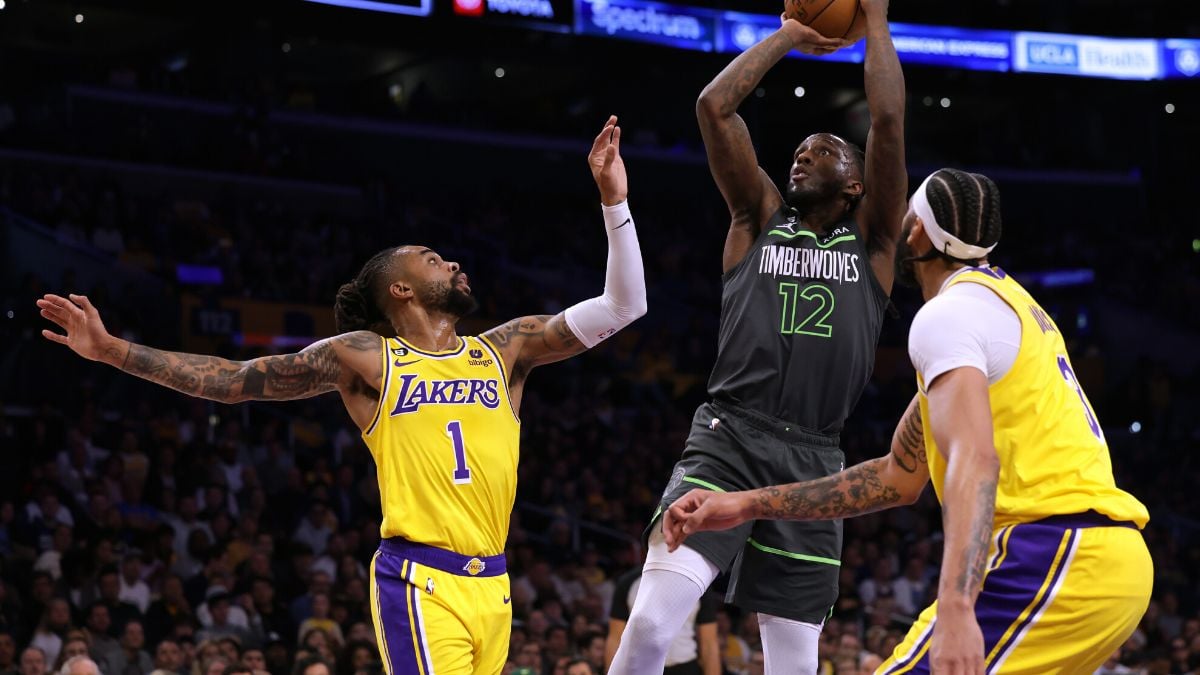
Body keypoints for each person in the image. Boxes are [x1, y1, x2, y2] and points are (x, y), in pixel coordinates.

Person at [37, 116, 646, 675]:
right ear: (402, 289)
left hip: (495, 584)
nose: (454, 262)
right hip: (419, 580)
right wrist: (114, 351)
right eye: (435, 260)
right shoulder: (368, 358)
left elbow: (625, 306)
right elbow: (235, 379)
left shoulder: (506, 349)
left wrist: (614, 199)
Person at [663, 169, 1153, 674]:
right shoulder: (1005, 307)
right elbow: (897, 476)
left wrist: (958, 607)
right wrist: (745, 504)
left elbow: (975, 459)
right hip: (1106, 565)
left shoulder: (948, 317)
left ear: (917, 230)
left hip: (1054, 551)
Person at [607, 1, 906, 673]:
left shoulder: (874, 243)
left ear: (856, 182)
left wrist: (877, 18)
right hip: (727, 439)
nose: (802, 156)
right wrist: (789, 37)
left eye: (822, 151)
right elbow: (715, 107)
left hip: (814, 459)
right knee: (653, 623)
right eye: (798, 150)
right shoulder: (758, 214)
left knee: (795, 664)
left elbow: (888, 120)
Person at [605, 567, 719, 675]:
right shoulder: (629, 582)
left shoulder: (698, 581)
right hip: (640, 667)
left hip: (685, 666)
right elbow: (615, 639)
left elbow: (709, 644)